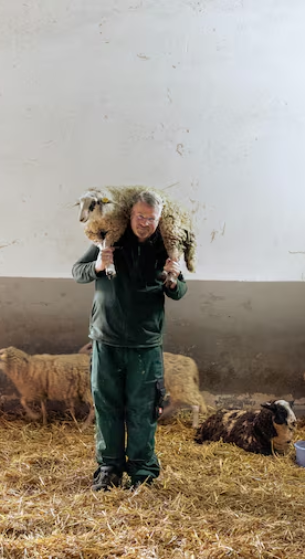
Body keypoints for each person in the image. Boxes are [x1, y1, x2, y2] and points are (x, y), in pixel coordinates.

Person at [72, 190, 188, 491]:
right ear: (129, 214)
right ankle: (109, 468)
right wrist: (98, 266)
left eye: (151, 219)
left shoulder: (165, 246)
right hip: (106, 338)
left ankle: (143, 473)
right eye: (140, 217)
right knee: (107, 406)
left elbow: (179, 291)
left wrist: (174, 278)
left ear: (159, 219)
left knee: (143, 409)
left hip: (145, 344)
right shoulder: (109, 239)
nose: (145, 223)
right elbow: (78, 272)